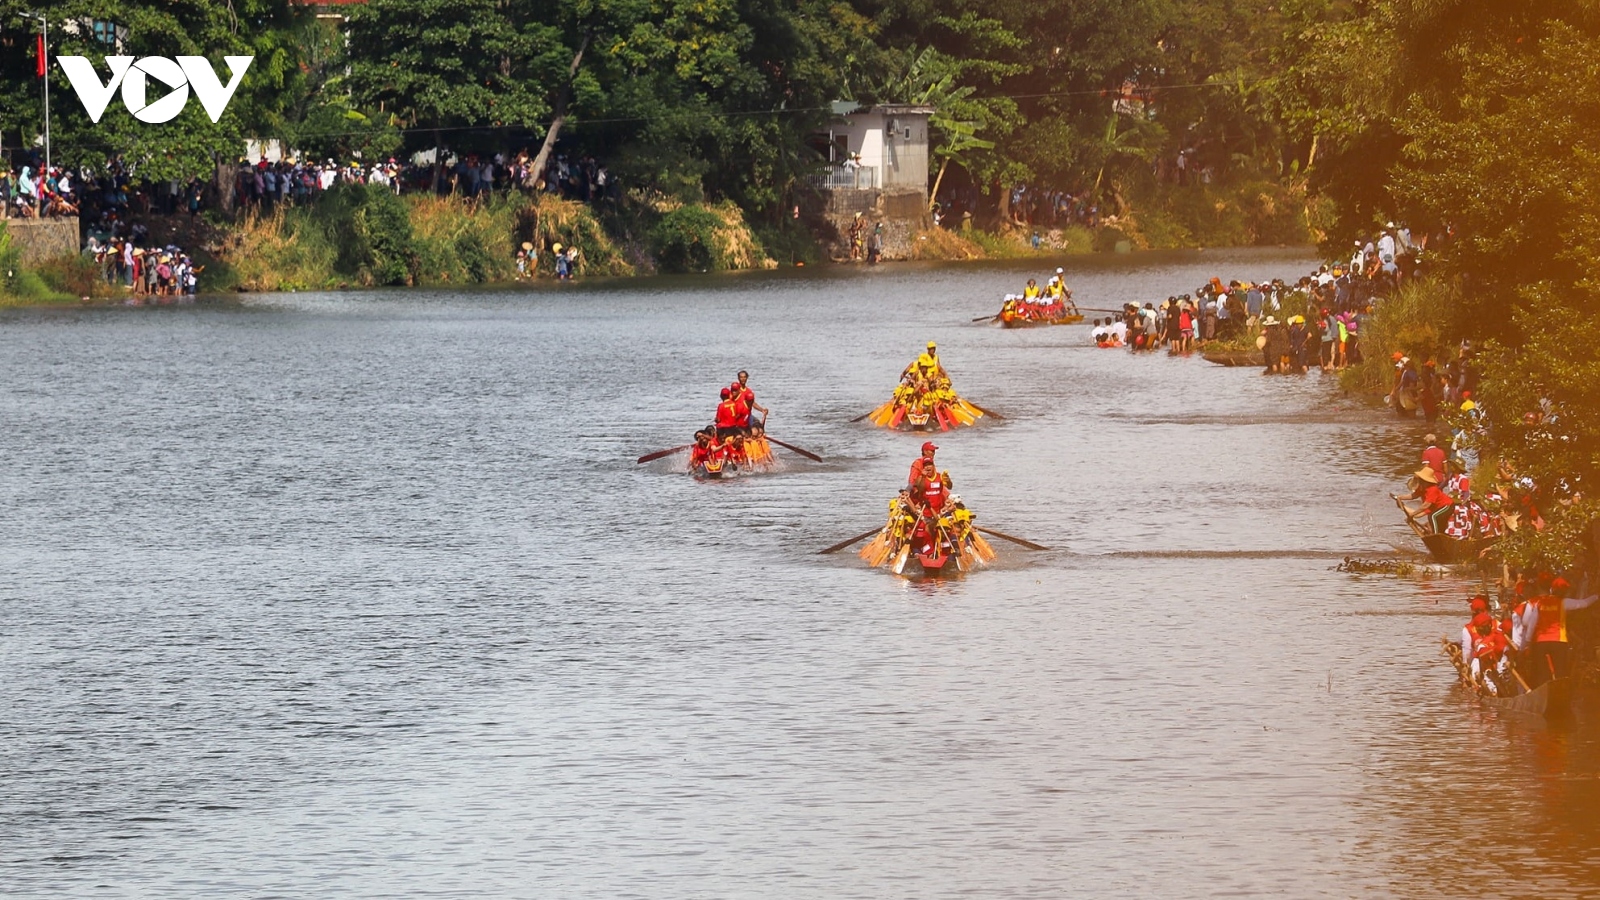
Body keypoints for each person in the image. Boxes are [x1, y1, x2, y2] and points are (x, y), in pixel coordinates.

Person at [1522, 575, 1599, 685]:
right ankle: (1560, 693)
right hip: (1559, 641)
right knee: (1560, 671)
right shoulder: (1564, 602)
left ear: (1552, 589)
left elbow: (1532, 624)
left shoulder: (1540, 603)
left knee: (1542, 672)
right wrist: (1596, 596)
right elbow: (1584, 604)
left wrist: (1528, 641)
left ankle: (1543, 694)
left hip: (1540, 642)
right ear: (1564, 591)